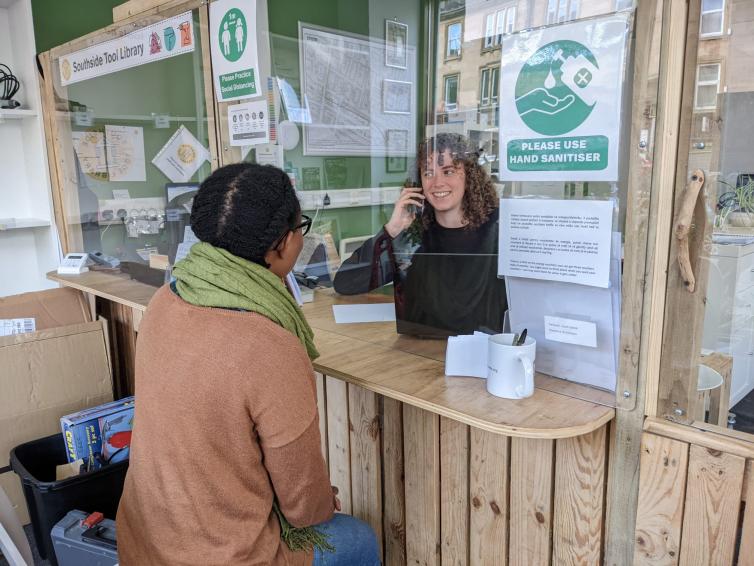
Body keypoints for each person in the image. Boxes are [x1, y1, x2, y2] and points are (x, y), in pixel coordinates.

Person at [116, 163, 380, 566]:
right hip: (224, 555)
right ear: (281, 245)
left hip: (144, 540)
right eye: (301, 228)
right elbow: (305, 508)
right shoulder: (269, 343)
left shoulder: (167, 299)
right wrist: (323, 500)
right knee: (358, 540)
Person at [334, 133, 507, 336]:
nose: (437, 183)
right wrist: (392, 230)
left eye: (448, 171)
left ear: (469, 176)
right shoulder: (413, 237)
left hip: (483, 354)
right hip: (417, 352)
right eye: (428, 173)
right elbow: (346, 282)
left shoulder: (497, 232)